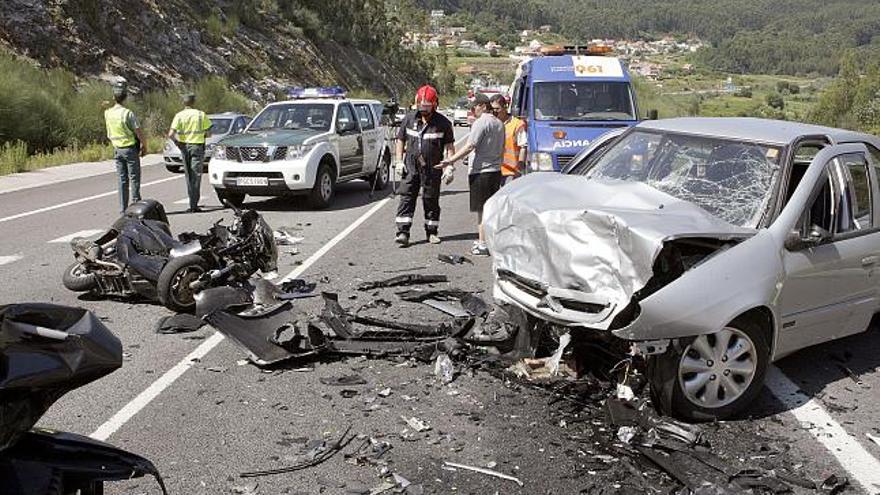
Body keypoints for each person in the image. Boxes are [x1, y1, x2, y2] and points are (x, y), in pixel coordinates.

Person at [437, 93, 504, 256]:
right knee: (490, 209)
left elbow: (469, 146)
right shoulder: (499, 123)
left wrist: (450, 161)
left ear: (482, 106)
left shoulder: (481, 123)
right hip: (495, 171)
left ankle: (482, 244)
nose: (472, 110)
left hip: (481, 172)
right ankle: (489, 240)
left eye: (474, 107)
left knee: (482, 210)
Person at [394, 85, 456, 247]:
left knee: (431, 199)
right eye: (421, 106)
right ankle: (403, 232)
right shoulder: (409, 119)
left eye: (427, 107)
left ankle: (432, 231)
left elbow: (449, 146)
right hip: (410, 167)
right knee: (407, 197)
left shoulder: (443, 123)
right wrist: (399, 161)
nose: (423, 110)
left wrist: (449, 166)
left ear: (434, 104)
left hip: (432, 168)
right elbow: (400, 140)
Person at [104, 79, 146, 213]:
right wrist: (144, 145)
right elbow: (138, 130)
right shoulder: (127, 113)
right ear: (125, 97)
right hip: (129, 148)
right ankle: (136, 205)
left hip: (117, 149)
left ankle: (123, 208)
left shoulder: (108, 113)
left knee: (122, 180)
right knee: (134, 178)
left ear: (113, 98)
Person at [168, 93, 211, 212]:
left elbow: (171, 134)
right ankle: (194, 204)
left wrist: (178, 143)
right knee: (196, 176)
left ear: (184, 102)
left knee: (188, 175)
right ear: (193, 102)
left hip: (184, 147)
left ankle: (192, 202)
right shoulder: (200, 115)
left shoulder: (179, 115)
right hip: (197, 147)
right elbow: (209, 133)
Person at [489, 94, 527, 183]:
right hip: (493, 170)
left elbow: (523, 147)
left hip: (511, 172)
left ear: (505, 107)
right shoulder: (490, 123)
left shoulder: (517, 124)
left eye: (497, 109)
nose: (495, 112)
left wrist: (520, 168)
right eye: (492, 109)